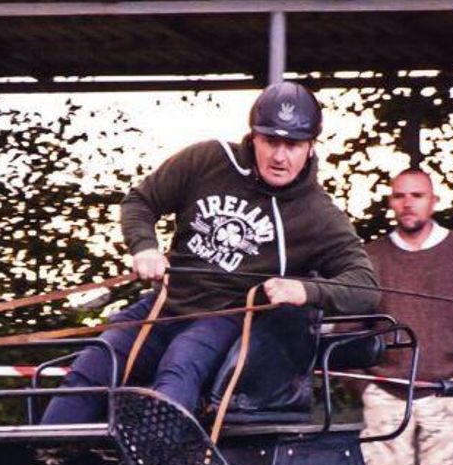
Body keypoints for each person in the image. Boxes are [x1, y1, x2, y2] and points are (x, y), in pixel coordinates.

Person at [41, 81, 379, 425]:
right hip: (165, 304)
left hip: (227, 317)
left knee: (180, 366)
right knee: (98, 360)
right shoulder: (208, 159)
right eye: (271, 142)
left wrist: (306, 290)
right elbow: (140, 201)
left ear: (310, 147)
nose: (280, 156)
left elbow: (365, 286)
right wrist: (145, 248)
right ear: (253, 138)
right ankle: (41, 460)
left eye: (292, 145)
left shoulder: (317, 214)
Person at [359, 168, 453, 465]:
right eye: (399, 196)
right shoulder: (371, 256)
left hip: (446, 393)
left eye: (417, 195)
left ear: (434, 201)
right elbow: (350, 326)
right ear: (391, 202)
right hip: (386, 396)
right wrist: (366, 387)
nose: (408, 203)